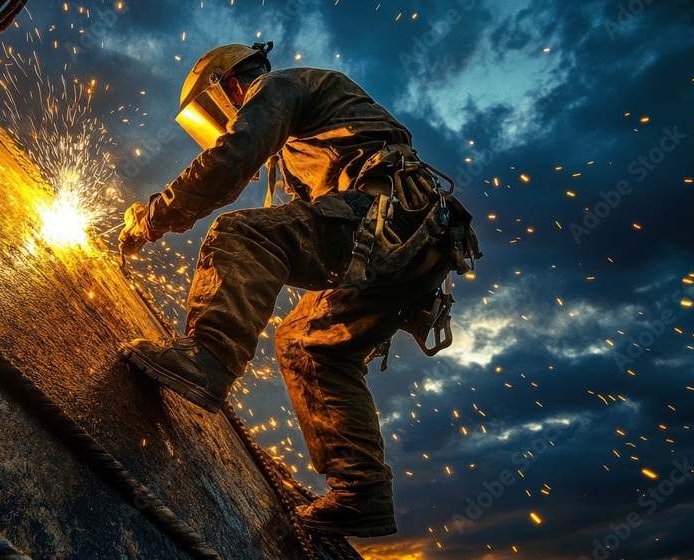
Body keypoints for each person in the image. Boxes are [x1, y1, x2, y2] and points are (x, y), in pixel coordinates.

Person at [119, 42, 480, 538]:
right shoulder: (307, 142)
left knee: (241, 234)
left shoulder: (278, 85)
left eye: (216, 112)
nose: (221, 123)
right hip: (420, 247)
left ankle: (207, 360)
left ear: (229, 86)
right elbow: (313, 218)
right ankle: (362, 492)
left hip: (389, 219)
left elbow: (232, 158)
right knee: (308, 345)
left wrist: (153, 218)